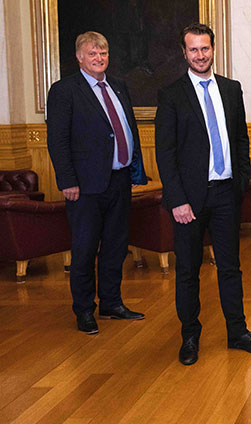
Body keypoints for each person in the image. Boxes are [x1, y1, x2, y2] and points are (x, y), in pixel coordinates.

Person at [155, 23, 251, 366]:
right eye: (193, 50)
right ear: (184, 52)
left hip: (225, 195)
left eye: (205, 48)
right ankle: (189, 336)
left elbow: (241, 139)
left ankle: (238, 332)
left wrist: (242, 181)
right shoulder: (172, 94)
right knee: (188, 270)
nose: (200, 55)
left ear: (213, 49)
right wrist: (177, 200)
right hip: (188, 201)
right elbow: (166, 152)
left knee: (230, 267)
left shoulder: (231, 89)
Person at [46, 31, 148, 335]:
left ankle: (112, 303)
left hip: (118, 180)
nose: (99, 58)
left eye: (103, 53)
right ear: (79, 57)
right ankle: (84, 310)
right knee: (85, 247)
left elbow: (126, 129)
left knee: (116, 246)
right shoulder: (65, 90)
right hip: (84, 185)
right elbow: (58, 140)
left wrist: (133, 170)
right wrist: (67, 180)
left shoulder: (118, 86)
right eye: (92, 54)